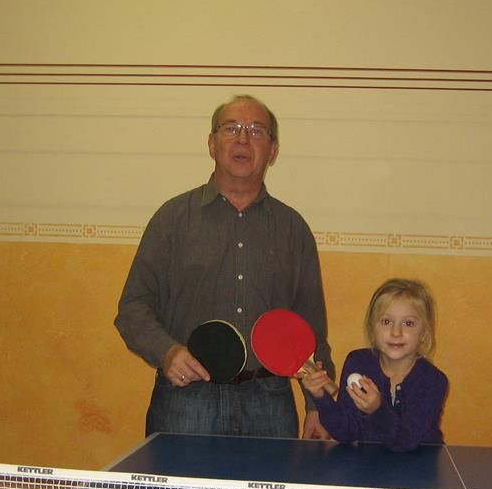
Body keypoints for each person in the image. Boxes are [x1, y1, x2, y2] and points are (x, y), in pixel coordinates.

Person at [115, 94, 334, 439]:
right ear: (211, 144)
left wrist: (318, 405)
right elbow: (133, 309)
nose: (243, 139)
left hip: (269, 404)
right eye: (231, 128)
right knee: (180, 481)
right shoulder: (172, 220)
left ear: (273, 150)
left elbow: (310, 328)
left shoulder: (294, 230)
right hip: (186, 401)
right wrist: (166, 352)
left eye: (256, 130)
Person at [302, 278, 448, 452]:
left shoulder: (433, 381)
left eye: (408, 323)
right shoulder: (358, 363)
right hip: (368, 465)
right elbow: (346, 432)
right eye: (386, 322)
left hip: (420, 466)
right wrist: (320, 396)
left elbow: (405, 441)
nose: (396, 332)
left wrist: (377, 410)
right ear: (372, 328)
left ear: (423, 333)